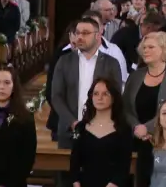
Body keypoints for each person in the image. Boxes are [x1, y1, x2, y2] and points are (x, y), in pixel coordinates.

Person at [48, 17, 125, 149]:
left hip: (102, 131)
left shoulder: (111, 63)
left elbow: (115, 97)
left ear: (98, 35)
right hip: (69, 130)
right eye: (77, 33)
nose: (79, 37)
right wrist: (73, 122)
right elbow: (56, 96)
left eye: (85, 33)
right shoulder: (64, 61)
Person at [123, 32, 166, 140]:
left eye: (151, 47)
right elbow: (125, 108)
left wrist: (147, 128)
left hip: (165, 139)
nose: (145, 50)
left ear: (163, 49)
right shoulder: (135, 76)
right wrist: (136, 128)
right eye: (144, 47)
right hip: (135, 138)